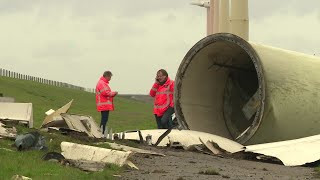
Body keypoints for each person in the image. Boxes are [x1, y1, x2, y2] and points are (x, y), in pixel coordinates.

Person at [95, 71, 118, 136]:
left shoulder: (102, 82)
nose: (110, 78)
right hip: (104, 105)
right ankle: (101, 134)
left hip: (103, 105)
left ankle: (102, 133)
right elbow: (105, 93)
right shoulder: (102, 83)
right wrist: (114, 93)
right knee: (104, 120)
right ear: (107, 76)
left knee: (104, 119)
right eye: (110, 77)